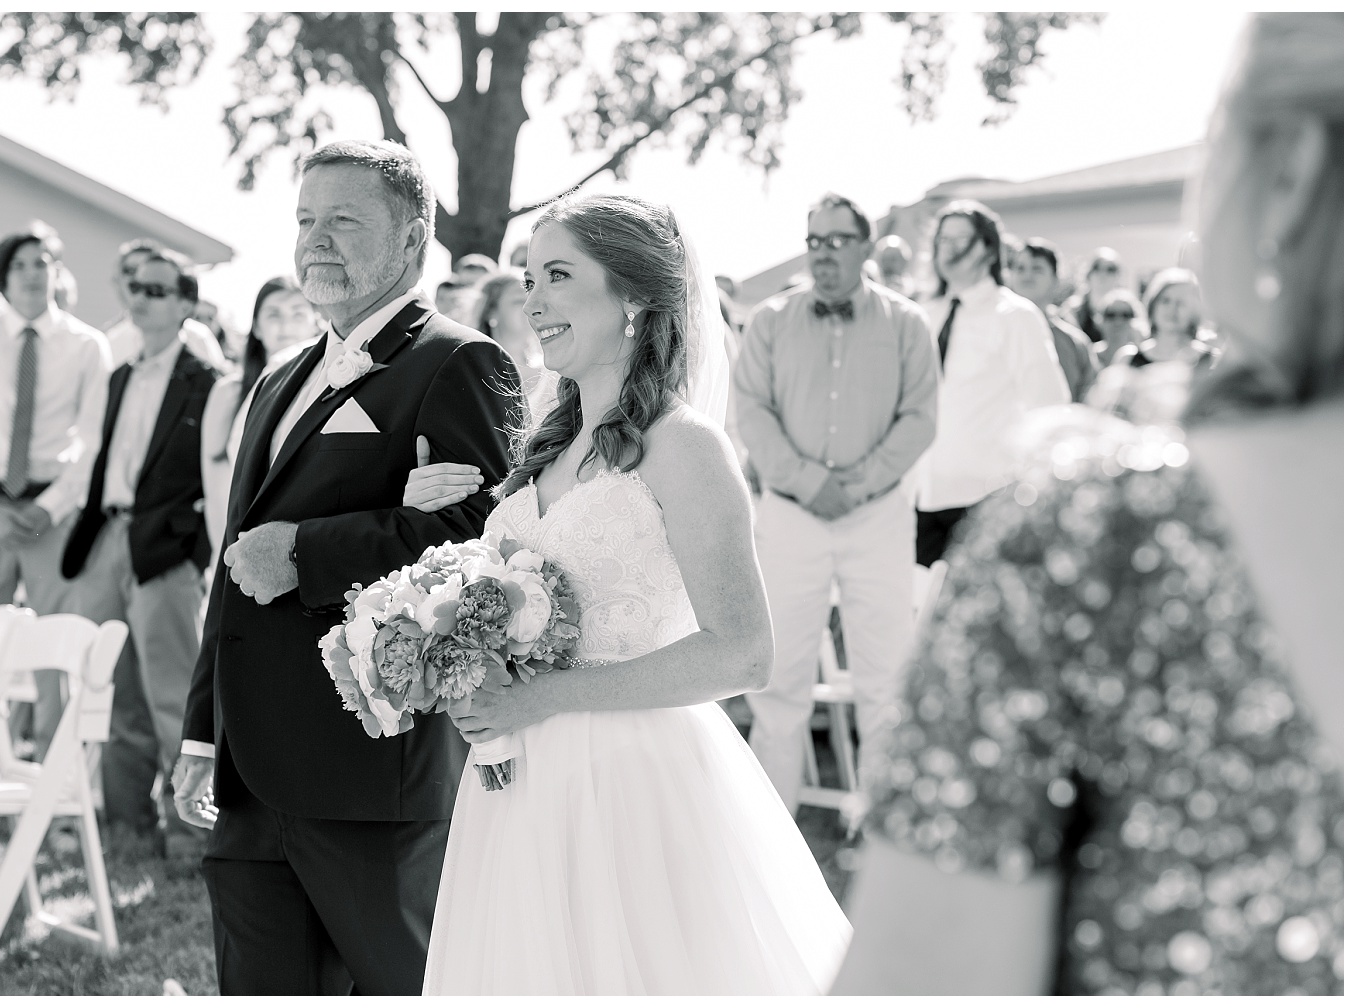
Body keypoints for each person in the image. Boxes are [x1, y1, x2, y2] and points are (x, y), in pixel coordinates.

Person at [833, 13, 1342, 995]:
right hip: (940, 505)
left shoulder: (1098, 533)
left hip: (1002, 501)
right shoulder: (926, 326)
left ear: (1291, 167)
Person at [403, 192, 852, 995]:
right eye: (529, 276)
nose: (533, 300)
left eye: (559, 275)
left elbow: (743, 652)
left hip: (632, 788)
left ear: (636, 301)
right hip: (519, 787)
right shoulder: (544, 448)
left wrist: (545, 699)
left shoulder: (684, 447)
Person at [170, 139, 522, 996]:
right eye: (304, 220)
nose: (315, 240)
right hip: (251, 772)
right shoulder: (282, 377)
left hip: (370, 773)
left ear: (411, 242)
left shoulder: (459, 362)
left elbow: (487, 538)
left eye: (343, 221)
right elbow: (232, 568)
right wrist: (199, 731)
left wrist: (307, 552)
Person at [734, 193, 938, 813]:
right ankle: (775, 837)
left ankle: (884, 841)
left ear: (866, 247)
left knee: (883, 683)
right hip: (792, 519)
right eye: (814, 240)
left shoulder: (907, 324)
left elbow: (920, 417)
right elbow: (752, 415)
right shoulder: (769, 321)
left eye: (837, 241)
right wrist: (808, 482)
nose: (823, 254)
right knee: (779, 686)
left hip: (877, 517)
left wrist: (858, 483)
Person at [60, 248, 219, 859]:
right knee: (112, 690)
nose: (142, 297)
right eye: (135, 287)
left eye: (157, 290)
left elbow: (215, 475)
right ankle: (125, 825)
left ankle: (188, 832)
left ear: (184, 304)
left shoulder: (207, 381)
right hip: (108, 539)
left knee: (171, 696)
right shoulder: (118, 373)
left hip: (167, 551)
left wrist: (193, 549)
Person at [0, 224, 111, 749]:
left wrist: (53, 507)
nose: (33, 274)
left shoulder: (87, 345)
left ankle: (51, 771)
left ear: (58, 272)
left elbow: (92, 441)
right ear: (1, 274)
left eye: (43, 263)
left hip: (48, 515)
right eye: (20, 264)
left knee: (55, 642)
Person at [913, 201, 1070, 568]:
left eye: (960, 239)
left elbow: (1049, 408)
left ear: (987, 248)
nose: (948, 249)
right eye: (942, 239)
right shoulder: (923, 314)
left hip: (983, 499)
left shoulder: (1015, 317)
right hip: (920, 499)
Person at [199, 277, 322, 563]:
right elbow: (214, 479)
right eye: (273, 314)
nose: (286, 326)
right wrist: (227, 551)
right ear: (256, 326)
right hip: (232, 543)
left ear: (316, 321)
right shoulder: (229, 391)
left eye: (297, 313)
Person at [103, 237, 227, 372]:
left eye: (156, 289)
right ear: (117, 279)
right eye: (130, 270)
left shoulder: (198, 338)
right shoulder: (110, 340)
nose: (140, 275)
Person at [1006, 237, 1101, 402]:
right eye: (1020, 268)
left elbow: (1090, 401)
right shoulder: (992, 330)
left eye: (1037, 269)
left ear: (1056, 279)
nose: (1027, 275)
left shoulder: (1074, 344)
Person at [475, 269, 552, 420]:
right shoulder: (475, 373)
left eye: (533, 299)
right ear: (491, 311)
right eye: (519, 301)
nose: (530, 307)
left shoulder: (553, 372)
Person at [1113, 268, 1219, 371]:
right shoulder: (1127, 360)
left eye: (1180, 303)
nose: (1172, 309)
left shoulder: (1212, 362)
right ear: (1153, 305)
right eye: (1165, 301)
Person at [1061, 247, 1125, 346]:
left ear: (1118, 275)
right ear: (1088, 273)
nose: (1103, 274)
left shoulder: (1128, 308)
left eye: (1110, 269)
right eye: (1097, 267)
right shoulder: (1073, 310)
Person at [1091, 286, 1149, 363]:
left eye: (1126, 315)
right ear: (1100, 320)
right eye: (1111, 315)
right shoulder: (1089, 356)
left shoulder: (1143, 359)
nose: (1118, 322)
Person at [872, 234, 915, 299]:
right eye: (884, 259)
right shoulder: (872, 294)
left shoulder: (914, 293)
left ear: (904, 262)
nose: (888, 264)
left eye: (893, 259)